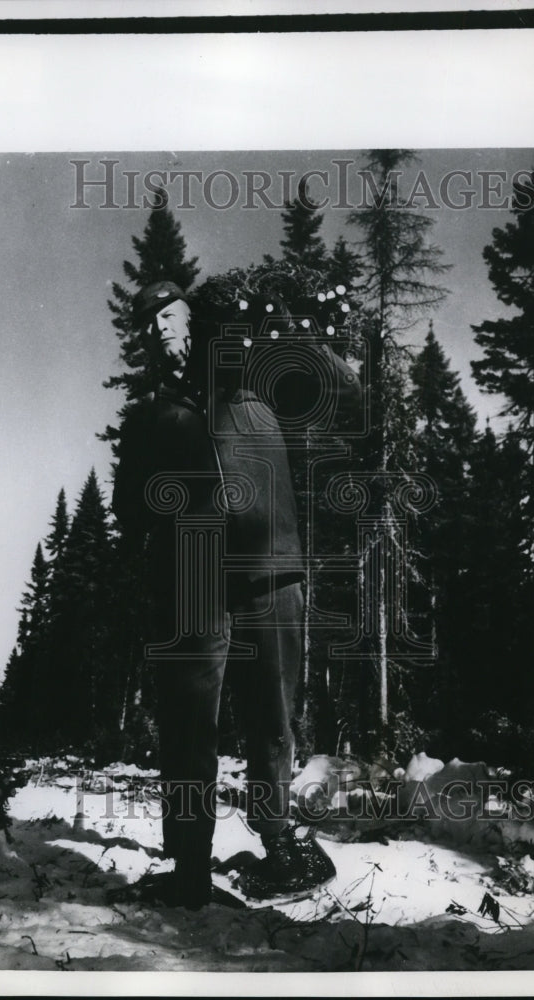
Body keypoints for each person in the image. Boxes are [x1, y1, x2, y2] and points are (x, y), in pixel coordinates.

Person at [111, 279, 361, 909]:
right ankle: (190, 868)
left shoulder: (252, 373)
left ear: (192, 314)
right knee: (188, 728)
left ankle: (281, 845)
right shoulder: (150, 415)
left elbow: (343, 394)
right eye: (147, 324)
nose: (159, 329)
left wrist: (305, 320)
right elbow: (129, 511)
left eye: (168, 314)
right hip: (195, 580)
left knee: (273, 720)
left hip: (273, 566)